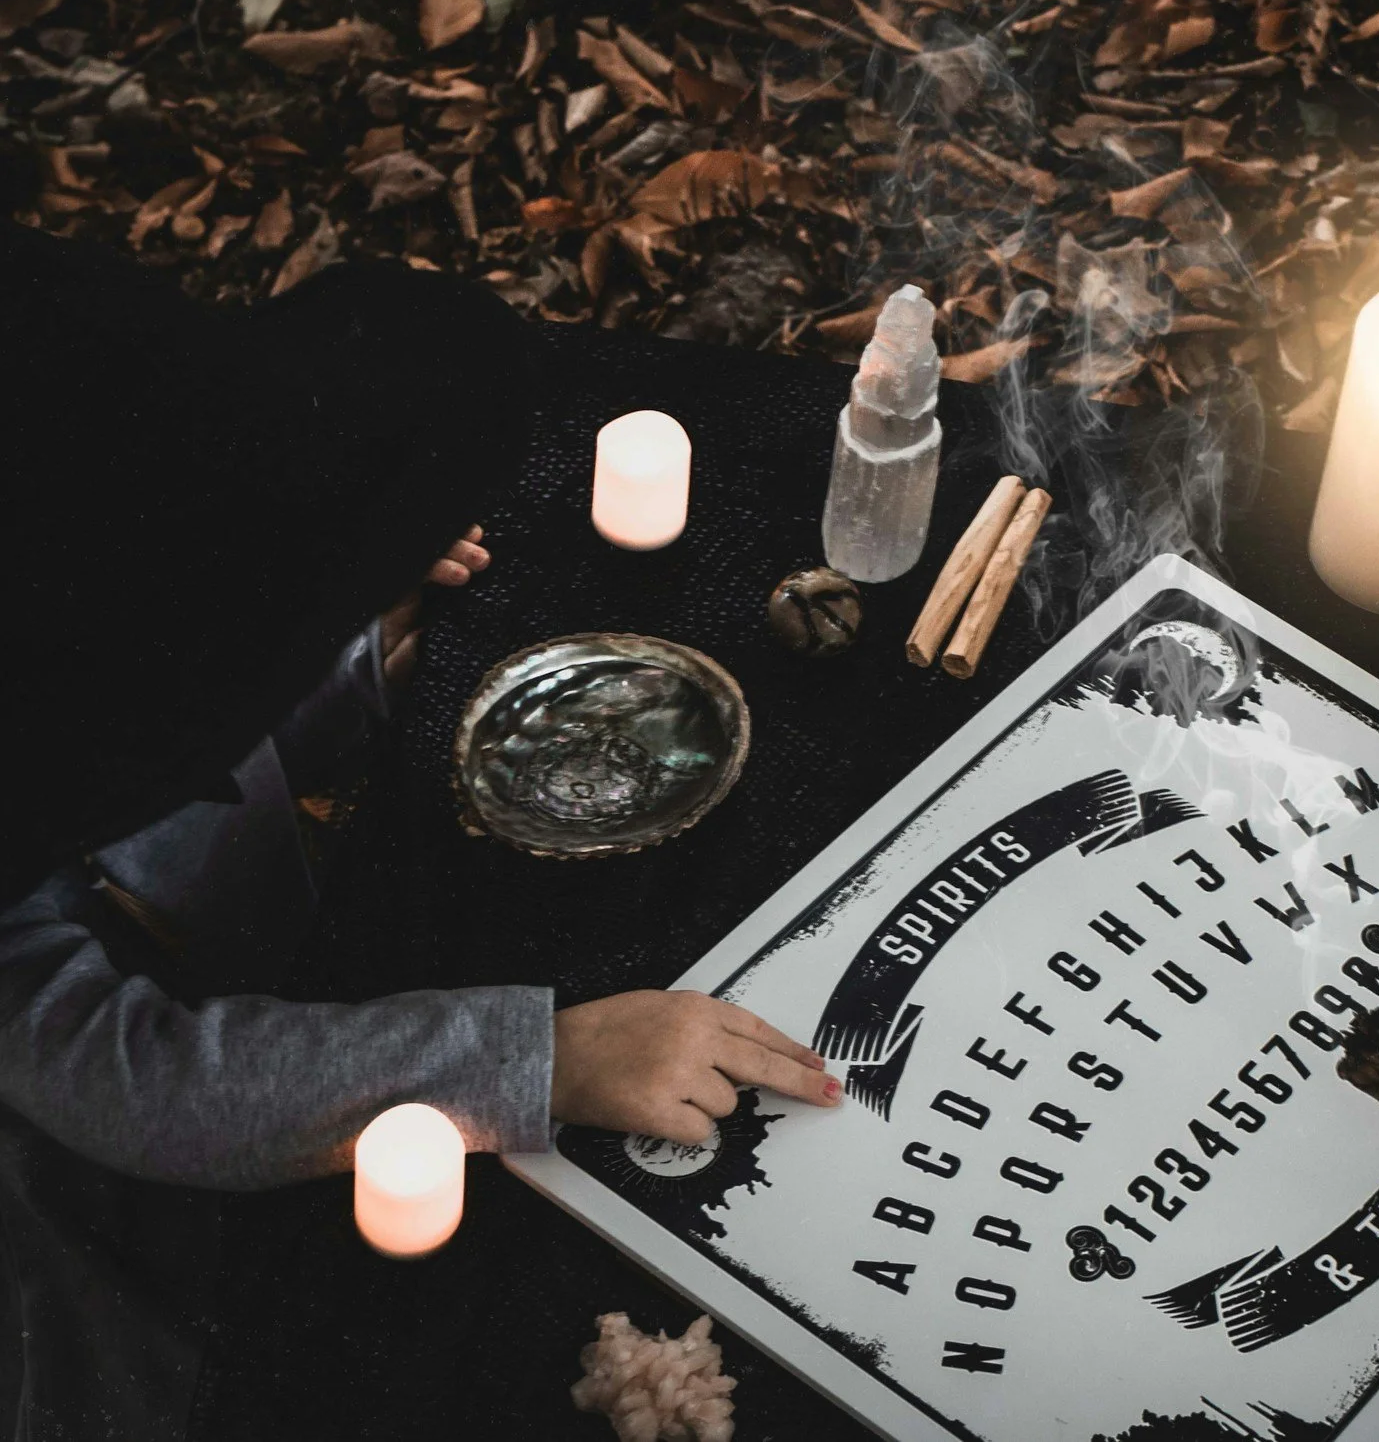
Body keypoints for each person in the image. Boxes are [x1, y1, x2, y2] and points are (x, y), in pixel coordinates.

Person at [0, 223, 840, 1441]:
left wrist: (335, 613)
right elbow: (146, 1079)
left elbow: (182, 720)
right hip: (120, 1207)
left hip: (275, 965)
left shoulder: (98, 570)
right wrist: (542, 1063)